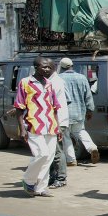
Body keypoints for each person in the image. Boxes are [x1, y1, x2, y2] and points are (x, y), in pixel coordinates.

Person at [16, 57, 61, 198]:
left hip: (51, 125)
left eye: (49, 67)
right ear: (36, 67)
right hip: (33, 124)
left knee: (49, 158)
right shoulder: (25, 83)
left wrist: (58, 126)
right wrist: (22, 129)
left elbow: (55, 107)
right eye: (44, 67)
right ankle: (28, 180)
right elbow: (19, 107)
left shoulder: (49, 84)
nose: (47, 69)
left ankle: (41, 188)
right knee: (42, 154)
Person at [59, 58, 99, 165]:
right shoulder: (82, 78)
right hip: (79, 112)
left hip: (64, 114)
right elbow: (88, 96)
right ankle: (92, 147)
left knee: (66, 136)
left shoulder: (59, 78)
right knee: (80, 132)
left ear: (61, 67)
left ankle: (71, 159)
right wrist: (90, 110)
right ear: (72, 65)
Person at [46, 60, 71, 189]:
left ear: (52, 68)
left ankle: (61, 178)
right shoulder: (52, 81)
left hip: (58, 121)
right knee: (51, 150)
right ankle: (53, 176)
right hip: (54, 120)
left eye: (46, 67)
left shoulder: (55, 82)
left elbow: (50, 103)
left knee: (57, 151)